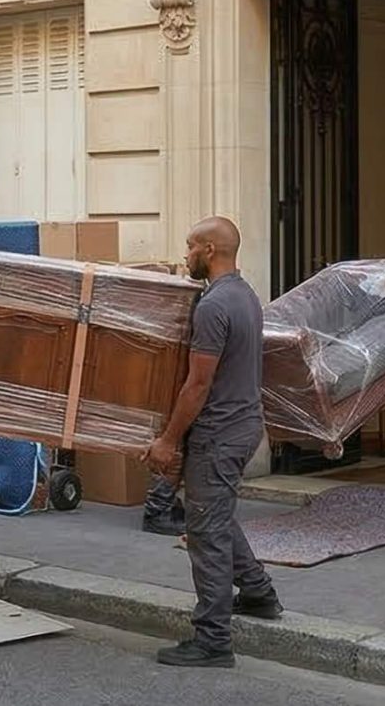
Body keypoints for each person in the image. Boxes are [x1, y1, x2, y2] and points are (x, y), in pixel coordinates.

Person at [145, 216, 282, 669]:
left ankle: (213, 640)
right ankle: (260, 594)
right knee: (216, 516)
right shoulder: (246, 296)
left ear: (208, 249)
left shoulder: (213, 306)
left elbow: (196, 386)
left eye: (189, 246)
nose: (185, 255)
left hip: (219, 433)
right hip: (244, 426)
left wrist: (167, 440)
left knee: (205, 533)